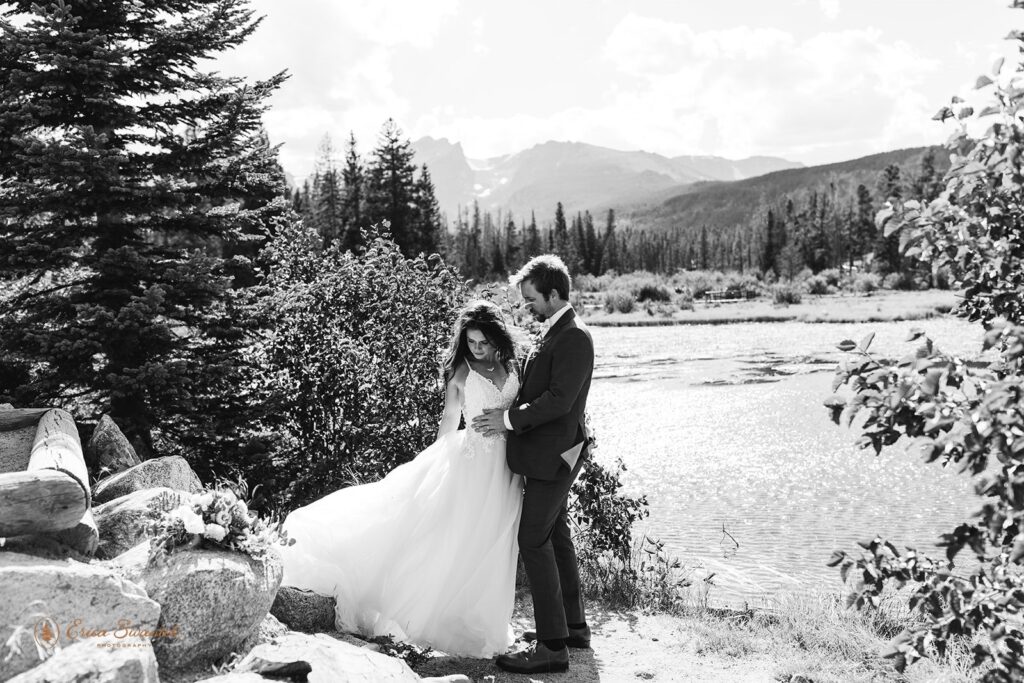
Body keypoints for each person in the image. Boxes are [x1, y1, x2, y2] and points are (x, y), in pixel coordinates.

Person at [279, 300, 524, 657]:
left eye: (483, 341)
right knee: (457, 540)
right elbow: (450, 416)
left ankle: (486, 622)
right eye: (470, 341)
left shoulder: (513, 363)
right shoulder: (461, 369)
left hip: (505, 470)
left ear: (497, 335)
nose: (477, 348)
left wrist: (508, 416)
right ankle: (448, 621)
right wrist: (436, 459)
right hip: (472, 466)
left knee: (494, 543)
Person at [473, 254, 594, 675]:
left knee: (533, 540)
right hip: (546, 455)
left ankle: (552, 648)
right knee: (556, 536)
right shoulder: (555, 331)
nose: (527, 306)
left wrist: (506, 419)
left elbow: (559, 401)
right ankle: (573, 628)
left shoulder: (574, 337)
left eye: (532, 299)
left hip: (556, 457)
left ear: (554, 293)